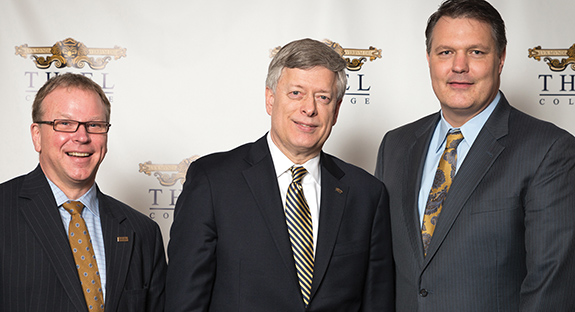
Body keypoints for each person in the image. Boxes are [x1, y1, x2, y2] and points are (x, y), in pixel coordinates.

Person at [166, 38, 394, 311]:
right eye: (296, 93)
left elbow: (377, 303)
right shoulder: (213, 181)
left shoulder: (367, 194)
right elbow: (185, 302)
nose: (309, 108)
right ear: (270, 99)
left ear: (336, 111)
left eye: (322, 97)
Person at [375, 0, 575, 311]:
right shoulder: (395, 145)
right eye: (446, 52)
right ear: (429, 59)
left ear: (501, 59)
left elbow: (551, 284)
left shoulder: (549, 150)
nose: (459, 66)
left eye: (476, 52)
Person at [0, 73, 167, 312]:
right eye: (65, 124)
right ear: (37, 135)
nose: (82, 137)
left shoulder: (142, 232)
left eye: (94, 125)